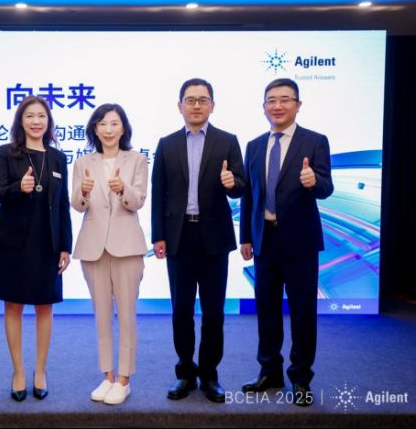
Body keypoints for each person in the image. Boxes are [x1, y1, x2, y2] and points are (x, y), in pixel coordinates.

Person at [239, 78, 333, 407]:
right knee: (266, 311)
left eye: (285, 99)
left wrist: (314, 180)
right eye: (271, 100)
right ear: (264, 106)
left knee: (303, 312)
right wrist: (246, 237)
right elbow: (250, 195)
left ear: (298, 105)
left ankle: (301, 378)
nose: (277, 106)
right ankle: (270, 372)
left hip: (300, 242)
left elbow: (326, 188)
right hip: (264, 240)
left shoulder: (315, 141)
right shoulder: (254, 145)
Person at [151, 78, 245, 403]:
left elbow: (241, 186)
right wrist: (158, 235)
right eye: (190, 100)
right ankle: (185, 372)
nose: (196, 105)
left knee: (214, 311)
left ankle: (210, 375)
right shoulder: (167, 144)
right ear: (179, 106)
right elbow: (159, 192)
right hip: (179, 237)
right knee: (181, 310)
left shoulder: (227, 141)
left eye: (202, 100)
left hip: (214, 237)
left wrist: (232, 183)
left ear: (212, 106)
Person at [0, 96, 72, 402]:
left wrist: (65, 246)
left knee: (45, 306)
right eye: (30, 116)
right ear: (21, 121)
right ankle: (18, 371)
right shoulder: (7, 152)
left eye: (41, 116)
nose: (36, 121)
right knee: (13, 305)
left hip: (47, 242)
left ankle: (40, 372)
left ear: (49, 121)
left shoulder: (58, 158)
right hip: (12, 241)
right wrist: (19, 188)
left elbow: (63, 205)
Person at [71, 104, 148, 405]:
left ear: (123, 128)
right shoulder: (83, 162)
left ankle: (124, 379)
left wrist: (122, 187)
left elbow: (138, 200)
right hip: (93, 247)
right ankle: (108, 375)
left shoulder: (137, 159)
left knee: (126, 315)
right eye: (102, 124)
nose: (108, 129)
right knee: (101, 315)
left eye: (114, 123)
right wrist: (83, 191)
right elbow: (77, 204)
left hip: (127, 246)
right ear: (95, 128)